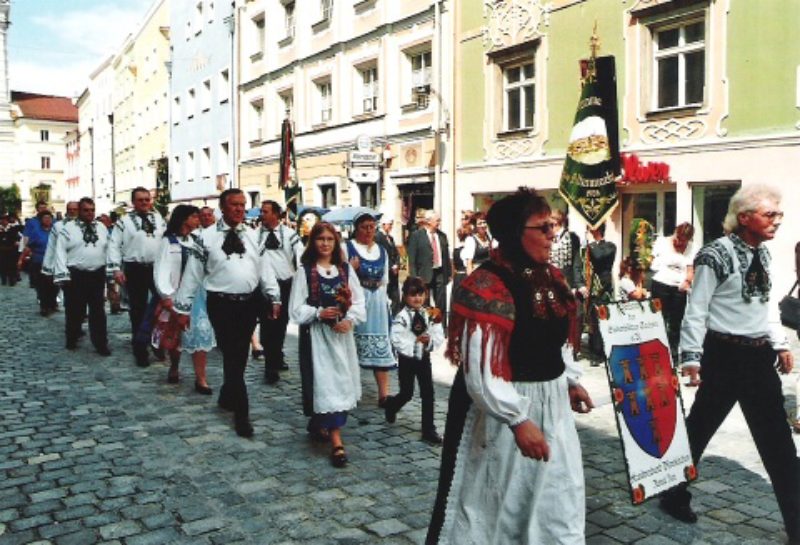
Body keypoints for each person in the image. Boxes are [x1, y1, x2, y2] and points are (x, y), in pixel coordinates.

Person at [426, 188, 593, 545]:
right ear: (516, 233)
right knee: (494, 505)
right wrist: (517, 419)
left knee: (555, 500)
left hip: (551, 408)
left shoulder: (552, 277)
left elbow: (554, 341)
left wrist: (567, 381)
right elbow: (480, 371)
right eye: (543, 227)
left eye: (552, 226)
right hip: (500, 414)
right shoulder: (487, 284)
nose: (552, 234)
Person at [659, 184, 799, 545]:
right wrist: (691, 357)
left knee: (779, 443)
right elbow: (697, 308)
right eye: (770, 215)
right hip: (723, 356)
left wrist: (779, 342)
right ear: (744, 217)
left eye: (778, 215)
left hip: (757, 358)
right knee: (700, 428)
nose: (777, 222)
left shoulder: (764, 255)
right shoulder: (714, 254)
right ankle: (673, 493)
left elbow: (766, 304)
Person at [175, 189, 280, 438]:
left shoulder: (254, 236)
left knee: (239, 354)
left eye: (243, 205)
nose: (239, 209)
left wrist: (274, 295)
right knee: (231, 352)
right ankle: (240, 410)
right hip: (220, 304)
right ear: (223, 207)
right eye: (234, 205)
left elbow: (264, 269)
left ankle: (229, 397)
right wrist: (183, 307)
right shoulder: (205, 237)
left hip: (249, 303)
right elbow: (192, 275)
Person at [289, 221, 366, 468]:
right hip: (318, 339)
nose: (325, 243)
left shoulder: (344, 270)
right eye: (320, 239)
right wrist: (318, 313)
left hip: (341, 338)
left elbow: (358, 301)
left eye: (330, 239)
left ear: (336, 243)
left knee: (340, 382)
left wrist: (350, 320)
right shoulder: (306, 271)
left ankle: (319, 422)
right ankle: (336, 442)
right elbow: (296, 309)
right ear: (313, 242)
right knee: (325, 383)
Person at [154, 205, 215, 393]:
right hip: (175, 294)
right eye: (194, 216)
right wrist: (166, 295)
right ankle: (174, 366)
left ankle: (201, 378)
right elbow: (161, 269)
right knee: (176, 334)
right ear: (183, 219)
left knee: (201, 333)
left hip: (198, 295)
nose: (198, 220)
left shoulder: (197, 240)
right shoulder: (168, 242)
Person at [107, 187, 166, 367]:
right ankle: (140, 347)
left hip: (156, 267)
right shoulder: (124, 222)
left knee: (162, 305)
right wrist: (116, 269)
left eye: (147, 199)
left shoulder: (158, 219)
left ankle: (157, 341)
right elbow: (114, 245)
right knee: (138, 308)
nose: (144, 203)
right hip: (135, 268)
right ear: (133, 202)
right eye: (140, 200)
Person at [343, 212, 397, 406]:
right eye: (364, 227)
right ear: (356, 229)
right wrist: (350, 268)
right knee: (350, 345)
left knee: (380, 344)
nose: (368, 231)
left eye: (371, 227)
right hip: (356, 300)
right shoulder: (347, 248)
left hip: (376, 302)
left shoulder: (382, 251)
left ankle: (384, 394)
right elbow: (338, 278)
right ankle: (349, 391)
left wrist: (384, 302)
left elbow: (385, 280)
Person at [384, 276, 445, 444]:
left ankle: (428, 429)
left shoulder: (429, 314)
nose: (417, 298)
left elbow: (438, 333)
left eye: (420, 295)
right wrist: (413, 343)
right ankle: (392, 404)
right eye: (412, 295)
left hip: (424, 358)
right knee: (407, 392)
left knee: (428, 392)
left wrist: (430, 342)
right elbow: (396, 338)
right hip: (407, 359)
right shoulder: (401, 317)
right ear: (405, 297)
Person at [53, 198, 111, 356]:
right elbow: (60, 252)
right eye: (86, 210)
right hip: (76, 274)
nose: (90, 213)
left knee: (98, 310)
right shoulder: (68, 229)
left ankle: (101, 344)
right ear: (79, 211)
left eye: (92, 210)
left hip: (97, 273)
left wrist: (111, 269)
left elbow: (108, 248)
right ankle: (71, 338)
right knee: (74, 309)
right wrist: (62, 274)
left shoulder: (101, 228)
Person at [256, 199, 303, 384]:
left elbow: (300, 257)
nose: (262, 214)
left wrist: (301, 280)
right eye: (261, 211)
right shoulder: (255, 235)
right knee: (267, 324)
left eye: (265, 211)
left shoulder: (290, 234)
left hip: (285, 284)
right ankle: (270, 364)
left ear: (276, 214)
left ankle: (277, 355)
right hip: (262, 286)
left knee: (281, 323)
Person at [650, 222, 695, 359]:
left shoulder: (692, 248)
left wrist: (687, 281)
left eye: (683, 241)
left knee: (676, 322)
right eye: (678, 238)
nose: (680, 243)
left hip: (679, 287)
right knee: (659, 319)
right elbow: (650, 261)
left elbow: (690, 269)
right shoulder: (662, 242)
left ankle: (673, 354)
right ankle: (657, 352)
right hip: (661, 283)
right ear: (675, 232)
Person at [407, 210, 452, 329]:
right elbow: (412, 258)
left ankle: (442, 329)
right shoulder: (417, 236)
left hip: (440, 273)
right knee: (424, 303)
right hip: (424, 275)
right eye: (437, 220)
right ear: (428, 222)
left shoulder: (442, 236)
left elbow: (446, 256)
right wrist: (414, 277)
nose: (439, 223)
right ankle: (424, 327)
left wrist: (448, 274)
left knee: (441, 303)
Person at [583, 223, 617, 365]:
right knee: (592, 319)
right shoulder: (589, 247)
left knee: (601, 317)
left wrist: (589, 243)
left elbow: (598, 256)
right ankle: (593, 350)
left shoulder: (610, 246)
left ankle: (601, 352)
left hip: (603, 286)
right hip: (592, 287)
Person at [18, 210, 58, 315]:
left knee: (54, 285)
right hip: (39, 261)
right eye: (45, 218)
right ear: (41, 220)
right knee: (42, 285)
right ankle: (44, 306)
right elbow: (29, 246)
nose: (47, 220)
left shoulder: (56, 232)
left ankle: (52, 303)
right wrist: (21, 259)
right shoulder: (36, 232)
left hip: (54, 262)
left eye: (49, 218)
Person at [550, 208, 582, 288]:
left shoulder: (572, 237)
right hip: (550, 280)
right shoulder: (548, 236)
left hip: (567, 280)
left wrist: (579, 284)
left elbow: (576, 261)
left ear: (556, 223)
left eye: (551, 225)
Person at [375, 216, 400, 313]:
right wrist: (390, 266)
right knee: (387, 294)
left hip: (394, 271)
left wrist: (397, 264)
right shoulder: (378, 237)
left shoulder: (391, 238)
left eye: (391, 224)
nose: (390, 227)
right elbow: (381, 254)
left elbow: (396, 253)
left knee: (395, 296)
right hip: (386, 271)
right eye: (389, 224)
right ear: (383, 225)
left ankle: (395, 313)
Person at [460, 211, 495, 275]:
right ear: (475, 226)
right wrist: (470, 278)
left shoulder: (489, 237)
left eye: (484, 222)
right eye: (479, 223)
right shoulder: (471, 240)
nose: (483, 225)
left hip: (490, 272)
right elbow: (469, 263)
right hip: (477, 273)